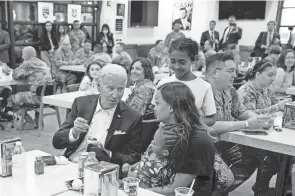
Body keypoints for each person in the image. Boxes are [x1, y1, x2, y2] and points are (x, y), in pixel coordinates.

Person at [52, 64, 143, 178]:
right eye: (110, 88)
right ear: (98, 86)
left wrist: (109, 154)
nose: (115, 95)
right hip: (73, 165)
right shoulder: (81, 104)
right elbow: (56, 141)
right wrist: (73, 132)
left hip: (104, 172)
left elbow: (134, 157)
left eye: (120, 89)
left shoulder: (132, 117)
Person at [204, 53, 273, 195]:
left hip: (225, 141)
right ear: (215, 73)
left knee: (256, 156)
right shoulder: (200, 91)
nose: (235, 75)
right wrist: (247, 124)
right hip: (203, 145)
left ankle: (218, 192)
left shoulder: (230, 90)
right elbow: (209, 127)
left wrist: (260, 120)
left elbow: (242, 112)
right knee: (225, 178)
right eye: (230, 71)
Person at [140, 82, 215, 195]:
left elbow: (173, 190)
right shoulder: (166, 127)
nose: (154, 107)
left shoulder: (196, 141)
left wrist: (138, 191)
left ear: (171, 107)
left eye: (157, 103)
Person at [237, 59, 292, 195]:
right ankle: (262, 188)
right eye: (270, 75)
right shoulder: (247, 91)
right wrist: (277, 107)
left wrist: (281, 108)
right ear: (257, 74)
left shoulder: (265, 89)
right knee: (276, 155)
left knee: (286, 156)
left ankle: (270, 186)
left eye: (274, 75)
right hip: (246, 135)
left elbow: (272, 109)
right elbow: (248, 115)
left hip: (264, 131)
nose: (273, 79)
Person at [155, 38, 216, 126]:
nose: (176, 66)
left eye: (182, 62)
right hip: (166, 135)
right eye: (173, 61)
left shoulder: (204, 86)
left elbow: (211, 119)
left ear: (193, 59)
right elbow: (156, 112)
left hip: (192, 136)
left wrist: (187, 124)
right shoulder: (163, 83)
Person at [7, 46, 52, 126]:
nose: (22, 56)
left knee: (11, 99)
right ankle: (38, 118)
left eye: (23, 54)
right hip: (48, 97)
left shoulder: (27, 64)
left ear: (27, 55)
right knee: (33, 92)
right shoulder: (43, 63)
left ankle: (29, 120)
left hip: (36, 98)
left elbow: (15, 75)